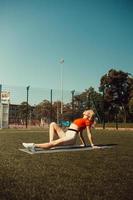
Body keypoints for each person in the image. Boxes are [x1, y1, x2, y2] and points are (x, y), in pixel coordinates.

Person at [22, 109, 98, 152]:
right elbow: (80, 134)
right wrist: (84, 144)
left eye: (87, 111)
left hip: (70, 137)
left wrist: (92, 145)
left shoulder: (87, 121)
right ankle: (50, 143)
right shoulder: (81, 120)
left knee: (54, 143)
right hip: (67, 134)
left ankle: (33, 145)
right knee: (52, 124)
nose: (85, 111)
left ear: (88, 114)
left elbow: (88, 133)